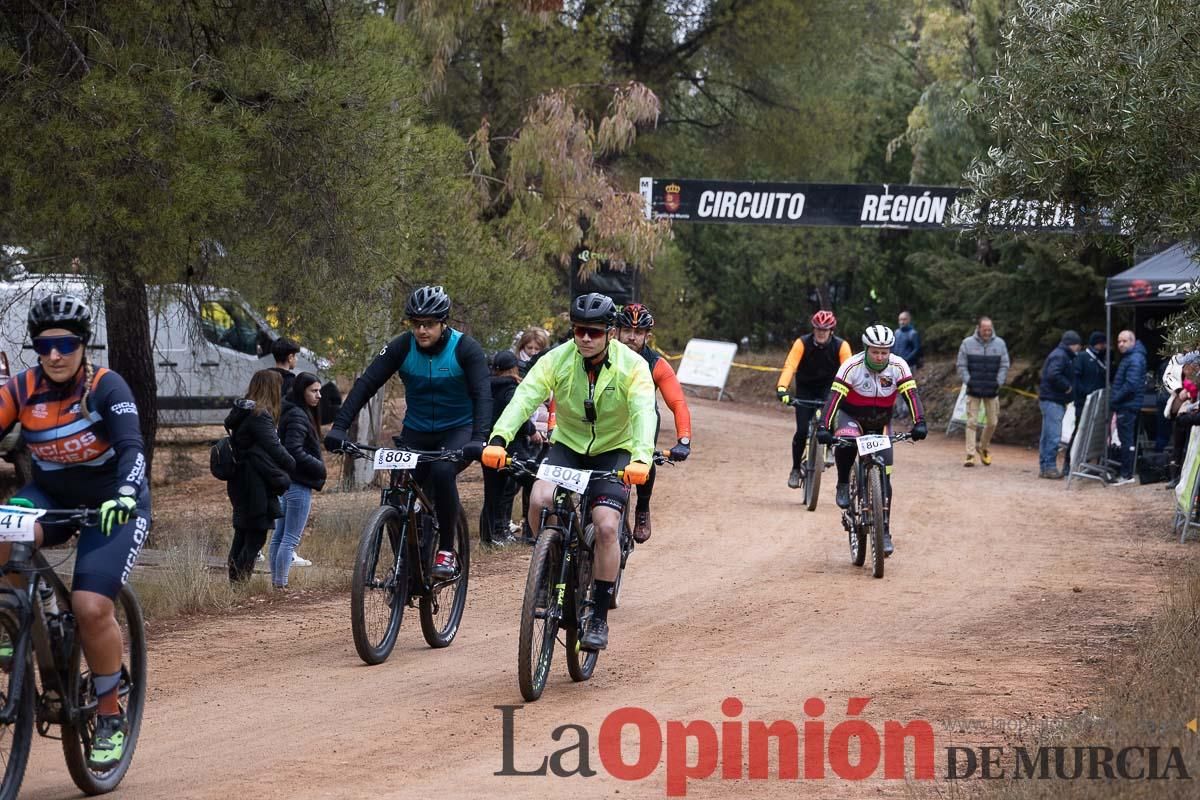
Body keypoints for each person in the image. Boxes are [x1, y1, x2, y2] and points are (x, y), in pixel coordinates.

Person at [0, 294, 150, 768]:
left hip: (113, 504)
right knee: (4, 530)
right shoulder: (22, 389)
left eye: (65, 344)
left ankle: (109, 713)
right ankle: (22, 613)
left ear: (83, 345)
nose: (55, 355)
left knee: (89, 606)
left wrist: (125, 494)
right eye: (44, 347)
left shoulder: (106, 386)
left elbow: (132, 450)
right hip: (51, 497)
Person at [482, 293, 656, 652]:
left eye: (593, 331)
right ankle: (547, 567)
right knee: (539, 499)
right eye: (579, 330)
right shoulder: (558, 359)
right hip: (568, 447)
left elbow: (642, 412)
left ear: (609, 332)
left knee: (607, 525)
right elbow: (526, 396)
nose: (585, 338)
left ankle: (598, 618)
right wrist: (499, 437)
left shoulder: (632, 366)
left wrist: (641, 458)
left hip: (615, 451)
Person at [324, 286, 491, 579]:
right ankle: (404, 565)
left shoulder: (466, 349)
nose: (421, 330)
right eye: (416, 324)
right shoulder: (402, 346)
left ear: (443, 322)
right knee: (397, 494)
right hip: (416, 431)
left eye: (428, 324)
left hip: (457, 430)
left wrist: (479, 438)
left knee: (441, 472)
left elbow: (482, 396)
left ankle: (447, 550)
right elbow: (366, 385)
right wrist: (339, 427)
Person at [816, 324, 927, 556]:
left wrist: (920, 422)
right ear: (866, 349)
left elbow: (911, 396)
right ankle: (844, 482)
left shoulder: (898, 366)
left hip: (880, 422)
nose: (879, 356)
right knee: (846, 442)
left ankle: (884, 531)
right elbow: (834, 398)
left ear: (890, 351)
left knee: (885, 477)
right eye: (875, 351)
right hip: (851, 417)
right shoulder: (851, 367)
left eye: (884, 352)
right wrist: (824, 426)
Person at [614, 302, 692, 542]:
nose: (631, 337)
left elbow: (678, 403)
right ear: (617, 331)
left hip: (642, 420)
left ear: (647, 335)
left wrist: (684, 440)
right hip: (608, 420)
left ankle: (642, 508)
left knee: (645, 457)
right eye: (627, 330)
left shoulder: (657, 364)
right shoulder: (603, 355)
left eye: (638, 333)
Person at [225, 370, 295, 583]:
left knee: (242, 533)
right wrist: (292, 463)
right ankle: (240, 585)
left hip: (239, 481)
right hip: (255, 483)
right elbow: (273, 447)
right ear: (271, 388)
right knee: (255, 535)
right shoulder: (259, 415)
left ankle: (234, 584)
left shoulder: (242, 411)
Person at [776, 311, 853, 489]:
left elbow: (849, 372)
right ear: (813, 329)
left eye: (824, 330)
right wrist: (782, 388)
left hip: (829, 388)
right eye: (818, 329)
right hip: (805, 389)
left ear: (831, 331)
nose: (820, 333)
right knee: (802, 430)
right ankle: (795, 469)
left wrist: (851, 393)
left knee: (833, 414)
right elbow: (790, 365)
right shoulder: (802, 343)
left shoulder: (841, 346)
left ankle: (829, 448)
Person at [270, 373, 326, 587]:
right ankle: (281, 585)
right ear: (302, 391)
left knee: (280, 536)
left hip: (288, 482)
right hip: (298, 484)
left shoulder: (293, 411)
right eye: (314, 390)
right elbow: (293, 449)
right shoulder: (297, 415)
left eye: (319, 390)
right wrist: (319, 467)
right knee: (289, 538)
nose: (319, 395)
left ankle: (277, 584)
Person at [480, 350, 533, 545]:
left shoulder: (485, 388)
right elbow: (519, 417)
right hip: (512, 446)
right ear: (513, 369)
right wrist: (531, 430)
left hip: (488, 445)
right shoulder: (512, 389)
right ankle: (512, 530)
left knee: (492, 491)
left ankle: (489, 536)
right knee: (525, 483)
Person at [956, 316, 1010, 467]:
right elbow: (961, 365)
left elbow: (1005, 365)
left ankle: (983, 447)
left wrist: (998, 382)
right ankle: (970, 454)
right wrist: (969, 381)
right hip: (973, 389)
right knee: (971, 422)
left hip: (992, 390)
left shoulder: (1000, 344)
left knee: (992, 422)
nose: (987, 332)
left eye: (989, 329)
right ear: (978, 328)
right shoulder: (967, 343)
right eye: (984, 329)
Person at [1037, 330, 1082, 478]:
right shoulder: (1061, 356)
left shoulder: (1059, 354)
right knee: (1053, 435)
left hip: (1050, 399)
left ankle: (1045, 466)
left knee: (1047, 434)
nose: (1078, 348)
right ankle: (1049, 467)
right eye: (1077, 345)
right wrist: (1067, 387)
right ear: (1072, 344)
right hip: (1053, 400)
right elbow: (1053, 374)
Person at [1110, 329, 1148, 486]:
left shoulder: (1134, 359)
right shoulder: (1131, 357)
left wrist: (1115, 399)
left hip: (1127, 405)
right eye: (1119, 341)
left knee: (1126, 441)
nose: (1121, 344)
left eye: (1124, 341)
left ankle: (1126, 475)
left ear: (1132, 341)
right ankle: (1127, 473)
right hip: (1128, 404)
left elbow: (1130, 385)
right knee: (1127, 440)